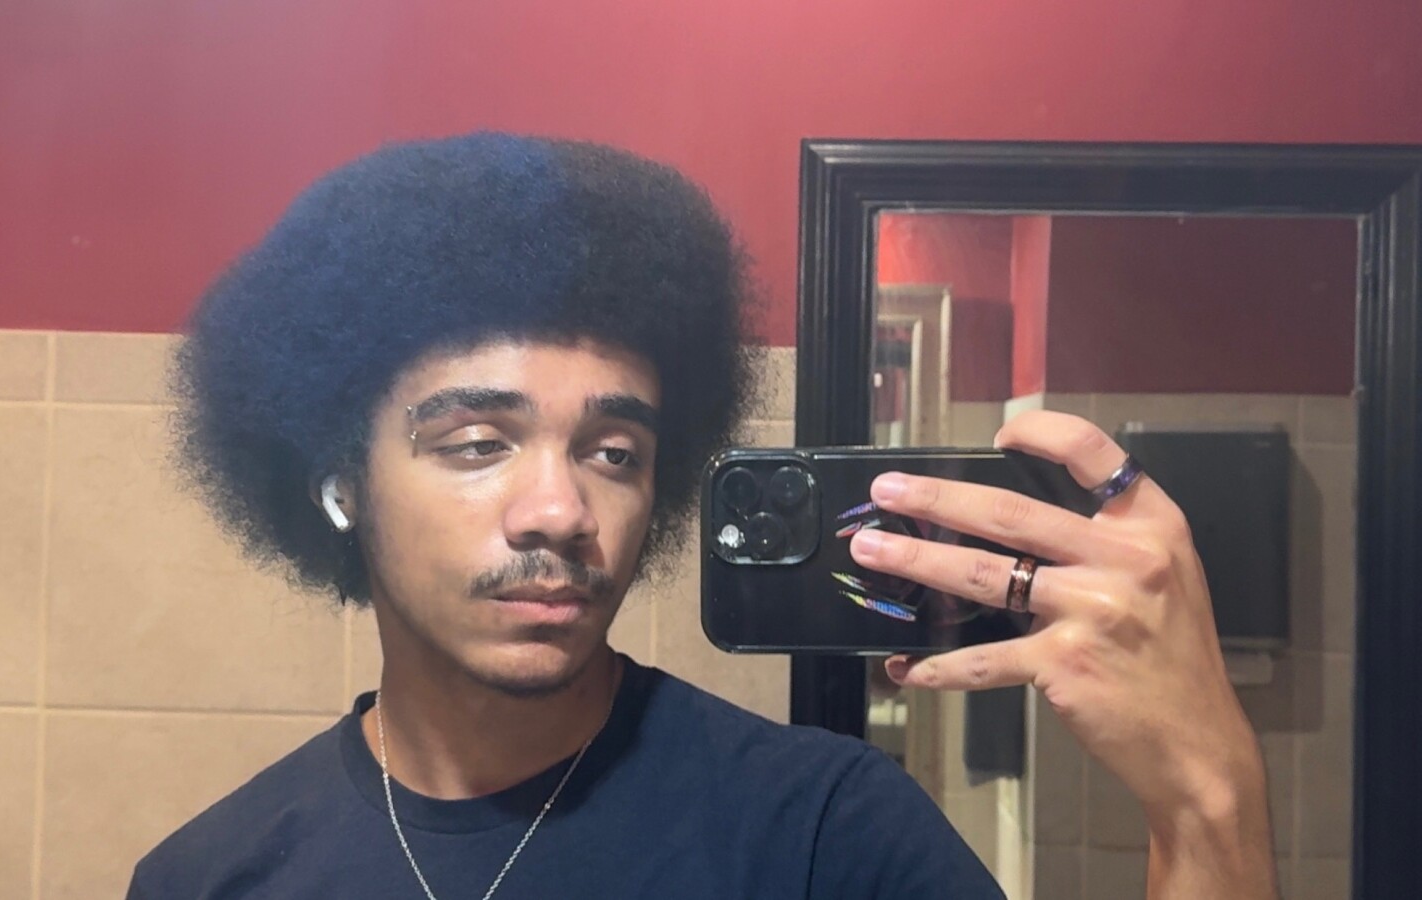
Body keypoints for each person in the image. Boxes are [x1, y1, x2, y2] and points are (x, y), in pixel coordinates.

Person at [129, 133, 1275, 898]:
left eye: (612, 453)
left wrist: (1207, 798)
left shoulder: (825, 832)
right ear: (339, 484)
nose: (559, 509)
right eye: (477, 445)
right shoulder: (211, 878)